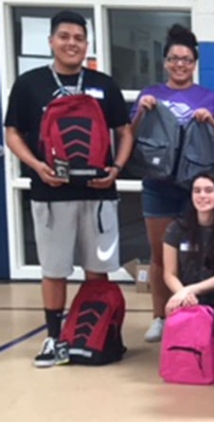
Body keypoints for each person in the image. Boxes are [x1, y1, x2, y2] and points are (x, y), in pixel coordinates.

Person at [3, 11, 133, 367]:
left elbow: (125, 131)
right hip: (51, 191)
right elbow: (12, 132)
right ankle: (53, 338)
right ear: (51, 41)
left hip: (98, 191)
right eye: (64, 36)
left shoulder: (104, 84)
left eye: (78, 37)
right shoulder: (30, 84)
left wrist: (116, 169)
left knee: (97, 269)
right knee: (54, 269)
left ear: (87, 44)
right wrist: (37, 165)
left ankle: (92, 333)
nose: (71, 43)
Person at [132, 24, 214, 342]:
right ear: (165, 61)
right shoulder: (150, 93)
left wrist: (211, 120)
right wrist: (140, 113)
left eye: (186, 59)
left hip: (197, 187)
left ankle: (200, 311)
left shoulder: (209, 97)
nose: (180, 64)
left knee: (205, 252)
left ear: (194, 63)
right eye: (174, 58)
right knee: (161, 256)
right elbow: (131, 137)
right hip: (158, 186)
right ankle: (161, 316)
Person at [161, 173, 214, 317]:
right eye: (197, 191)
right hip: (185, 300)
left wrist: (189, 290)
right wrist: (182, 293)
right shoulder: (176, 229)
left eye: (209, 190)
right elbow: (169, 273)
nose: (202, 195)